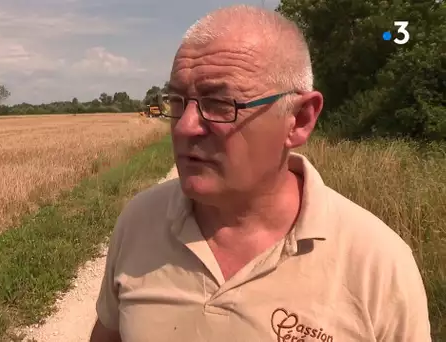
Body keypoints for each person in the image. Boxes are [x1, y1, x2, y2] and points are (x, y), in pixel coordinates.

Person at [90, 5, 432, 342]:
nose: (185, 126)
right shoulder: (139, 221)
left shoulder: (378, 265)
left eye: (220, 104)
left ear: (298, 120)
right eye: (178, 101)